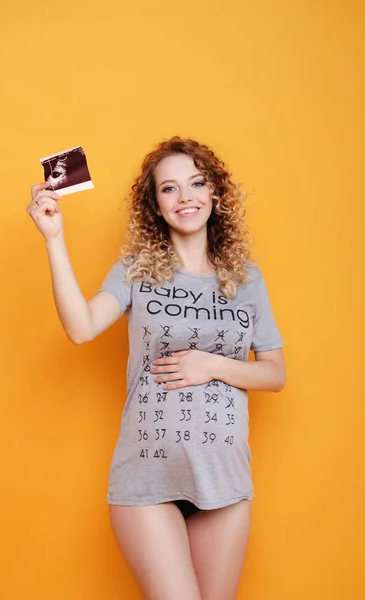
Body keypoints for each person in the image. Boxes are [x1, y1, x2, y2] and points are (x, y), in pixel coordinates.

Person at [27, 136, 286, 600]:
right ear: (155, 205)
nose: (185, 197)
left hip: (224, 480)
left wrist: (212, 365)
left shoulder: (246, 279)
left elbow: (274, 373)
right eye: (169, 189)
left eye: (196, 183)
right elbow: (82, 328)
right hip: (148, 479)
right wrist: (54, 240)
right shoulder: (135, 271)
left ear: (214, 194)